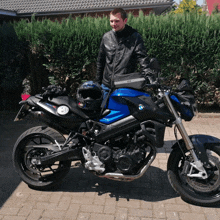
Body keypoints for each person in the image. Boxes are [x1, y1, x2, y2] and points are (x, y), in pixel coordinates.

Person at [96, 8, 153, 102]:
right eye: (111, 21)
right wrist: (98, 83)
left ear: (125, 21)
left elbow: (142, 58)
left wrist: (149, 76)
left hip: (124, 86)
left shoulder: (134, 37)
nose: (114, 24)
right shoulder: (106, 37)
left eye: (117, 21)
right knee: (104, 115)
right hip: (106, 86)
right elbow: (100, 61)